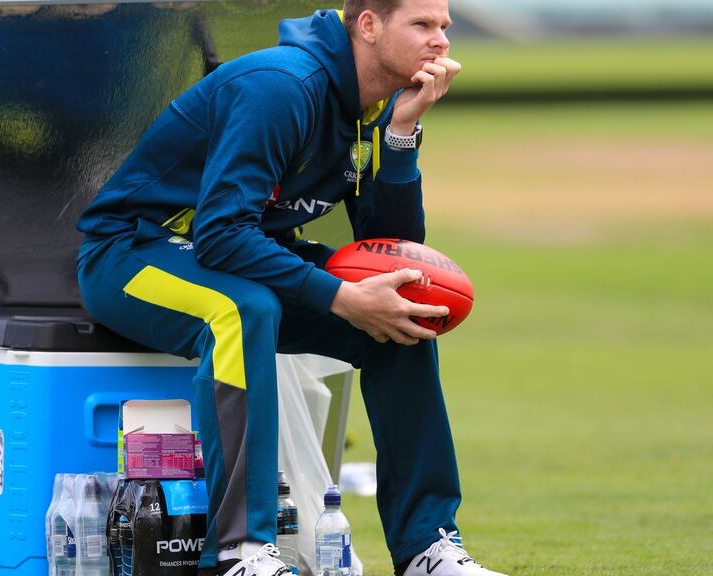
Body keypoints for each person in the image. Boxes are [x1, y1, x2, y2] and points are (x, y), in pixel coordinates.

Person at [77, 1, 506, 575]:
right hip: (129, 253)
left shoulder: (376, 108)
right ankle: (241, 552)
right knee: (242, 309)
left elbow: (389, 249)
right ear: (369, 25)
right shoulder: (281, 87)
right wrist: (339, 297)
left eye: (445, 28)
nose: (441, 43)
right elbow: (220, 235)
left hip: (235, 252)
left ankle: (427, 547)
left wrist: (402, 135)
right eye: (422, 26)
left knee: (403, 313)